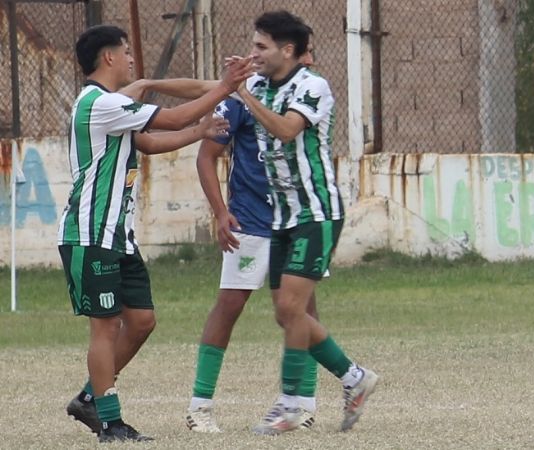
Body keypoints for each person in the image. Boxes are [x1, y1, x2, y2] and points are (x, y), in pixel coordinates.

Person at [59, 25, 251, 442]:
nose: (131, 60)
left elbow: (145, 142)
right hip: (90, 234)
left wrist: (199, 133)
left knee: (142, 322)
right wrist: (225, 87)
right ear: (108, 57)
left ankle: (90, 398)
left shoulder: (112, 106)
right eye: (126, 53)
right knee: (106, 327)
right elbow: (173, 116)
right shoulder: (99, 102)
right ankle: (110, 423)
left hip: (118, 236)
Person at [135, 29, 324, 434]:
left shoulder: (307, 96)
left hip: (297, 219)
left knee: (303, 309)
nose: (309, 62)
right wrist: (221, 213)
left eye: (261, 48)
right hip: (251, 220)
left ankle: (303, 405)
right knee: (229, 306)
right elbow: (207, 156)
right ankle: (200, 406)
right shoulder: (245, 95)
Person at [235, 10, 378, 434]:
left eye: (261, 47)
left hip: (316, 214)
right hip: (282, 218)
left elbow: (284, 130)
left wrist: (241, 93)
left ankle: (291, 405)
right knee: (286, 313)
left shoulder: (312, 86)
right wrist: (148, 89)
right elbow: (207, 89)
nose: (253, 53)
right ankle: (355, 378)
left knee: (291, 307)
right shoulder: (258, 84)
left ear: (288, 51)